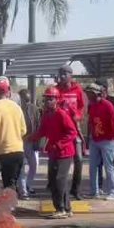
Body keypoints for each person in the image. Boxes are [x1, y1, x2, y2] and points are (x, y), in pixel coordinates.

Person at [30, 86, 78, 219]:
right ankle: (66, 209)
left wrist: (60, 144)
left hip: (65, 153)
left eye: (51, 99)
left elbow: (72, 132)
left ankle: (61, 208)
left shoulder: (61, 114)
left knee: (59, 180)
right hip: (53, 152)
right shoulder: (47, 115)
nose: (48, 101)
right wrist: (30, 137)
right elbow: (42, 131)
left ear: (56, 100)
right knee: (53, 180)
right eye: (46, 99)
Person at [0, 76, 27, 193]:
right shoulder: (17, 108)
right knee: (10, 184)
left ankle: (1, 197)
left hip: (1, 152)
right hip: (18, 152)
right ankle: (9, 206)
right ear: (8, 91)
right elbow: (23, 130)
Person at [55, 64, 87, 200]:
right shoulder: (56, 90)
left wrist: (78, 116)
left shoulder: (77, 90)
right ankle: (57, 187)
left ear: (70, 75)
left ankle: (76, 189)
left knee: (78, 159)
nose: (62, 76)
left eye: (64, 74)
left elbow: (82, 107)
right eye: (60, 74)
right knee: (58, 161)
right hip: (60, 130)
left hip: (74, 129)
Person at [86, 83, 114, 200]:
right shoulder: (91, 106)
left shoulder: (107, 105)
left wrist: (111, 137)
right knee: (92, 166)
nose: (87, 95)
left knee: (108, 166)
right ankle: (94, 191)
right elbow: (90, 122)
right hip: (95, 139)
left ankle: (113, 191)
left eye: (89, 93)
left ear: (96, 94)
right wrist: (89, 137)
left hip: (107, 140)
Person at [95, 80, 114, 196]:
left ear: (105, 89)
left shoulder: (113, 100)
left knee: (112, 162)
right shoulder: (94, 102)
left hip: (110, 136)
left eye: (100, 89)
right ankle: (99, 186)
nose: (98, 92)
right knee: (98, 163)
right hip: (98, 136)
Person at [16, 88, 39, 199]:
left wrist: (37, 140)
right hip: (19, 141)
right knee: (22, 167)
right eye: (24, 97)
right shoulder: (16, 109)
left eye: (28, 97)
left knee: (34, 165)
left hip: (31, 141)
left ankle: (28, 185)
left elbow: (38, 124)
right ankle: (23, 190)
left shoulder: (34, 109)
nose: (26, 99)